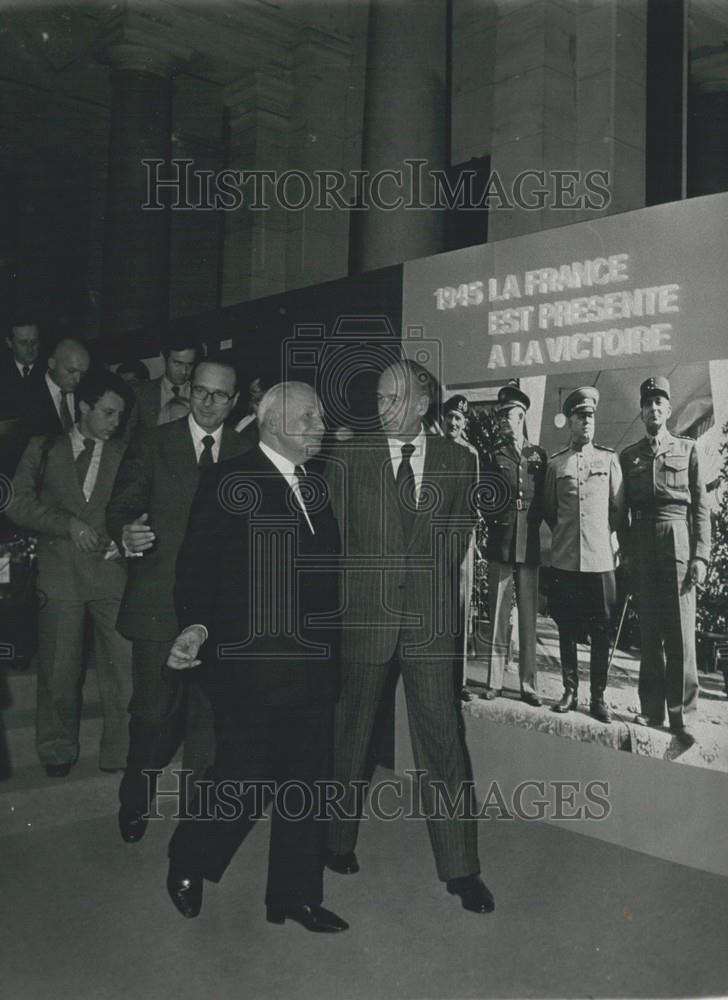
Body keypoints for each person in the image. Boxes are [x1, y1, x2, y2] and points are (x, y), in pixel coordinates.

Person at [164, 381, 348, 933]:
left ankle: (295, 896)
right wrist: (196, 626)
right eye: (309, 416)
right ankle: (189, 857)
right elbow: (196, 565)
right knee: (243, 778)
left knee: (306, 780)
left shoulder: (314, 485)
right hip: (251, 666)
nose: (321, 426)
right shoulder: (230, 479)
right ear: (270, 422)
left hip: (313, 664)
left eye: (320, 416)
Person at [324, 359, 494, 915]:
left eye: (394, 398)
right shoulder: (349, 457)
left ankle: (461, 868)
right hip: (364, 618)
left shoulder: (458, 461)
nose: (382, 407)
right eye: (378, 397)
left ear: (422, 405)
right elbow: (332, 542)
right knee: (349, 733)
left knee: (442, 739)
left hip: (428, 622)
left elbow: (457, 538)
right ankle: (335, 840)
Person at [106, 359, 247, 843]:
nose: (208, 402)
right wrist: (125, 531)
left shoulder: (247, 450)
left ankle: (196, 821)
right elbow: (122, 505)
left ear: (235, 401)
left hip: (220, 611)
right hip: (158, 601)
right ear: (188, 392)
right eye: (200, 391)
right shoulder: (153, 442)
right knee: (153, 713)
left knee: (209, 719)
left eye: (220, 395)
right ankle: (134, 801)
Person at [7, 369, 133, 776]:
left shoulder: (126, 453)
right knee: (59, 671)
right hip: (60, 576)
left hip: (111, 575)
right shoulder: (44, 447)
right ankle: (57, 749)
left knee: (123, 672)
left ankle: (120, 753)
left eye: (120, 415)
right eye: (109, 413)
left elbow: (143, 506)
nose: (116, 422)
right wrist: (67, 524)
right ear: (83, 407)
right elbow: (15, 502)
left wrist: (125, 540)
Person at [619, 375, 710, 746]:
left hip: (677, 541)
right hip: (643, 541)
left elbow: (701, 507)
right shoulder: (629, 456)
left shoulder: (687, 450)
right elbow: (621, 512)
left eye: (659, 402)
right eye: (647, 404)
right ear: (641, 412)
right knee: (650, 631)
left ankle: (683, 714)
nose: (653, 409)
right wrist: (627, 551)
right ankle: (652, 709)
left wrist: (701, 555)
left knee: (681, 633)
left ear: (669, 409)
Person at [544, 386, 624, 723]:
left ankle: (598, 696)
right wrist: (570, 537)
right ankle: (570, 690)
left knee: (601, 629)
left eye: (591, 416)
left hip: (599, 560)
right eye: (581, 416)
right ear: (570, 421)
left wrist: (598, 538)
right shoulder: (556, 464)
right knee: (566, 625)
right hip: (566, 560)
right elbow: (551, 510)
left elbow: (617, 510)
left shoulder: (609, 459)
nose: (587, 421)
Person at [480, 380, 546, 706]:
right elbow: (484, 495)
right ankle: (494, 681)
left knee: (528, 617)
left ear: (521, 417)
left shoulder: (538, 455)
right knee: (497, 614)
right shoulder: (494, 455)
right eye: (502, 415)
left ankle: (529, 685)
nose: (504, 421)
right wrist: (497, 520)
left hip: (529, 542)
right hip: (502, 540)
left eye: (509, 415)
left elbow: (545, 497)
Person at [125, 340, 197, 438]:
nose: (184, 371)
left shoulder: (201, 393)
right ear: (163, 359)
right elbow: (127, 435)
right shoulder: (140, 392)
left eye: (190, 365)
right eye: (178, 363)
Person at [26, 338, 91, 438]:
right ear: (52, 363)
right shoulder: (27, 395)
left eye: (82, 374)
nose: (78, 379)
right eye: (71, 371)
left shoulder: (87, 393)